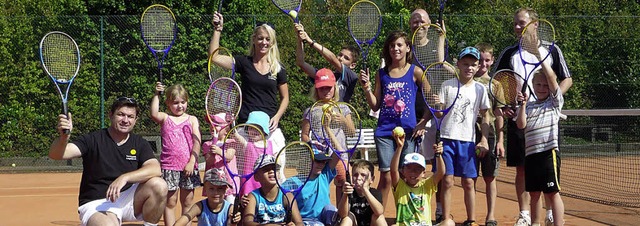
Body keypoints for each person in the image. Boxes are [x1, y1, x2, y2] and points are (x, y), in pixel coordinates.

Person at [493, 7, 573, 226]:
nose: (518, 27)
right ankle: (525, 214)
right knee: (522, 167)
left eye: (522, 23)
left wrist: (551, 101)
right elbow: (497, 82)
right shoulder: (510, 53)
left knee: (549, 165)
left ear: (535, 25)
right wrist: (505, 104)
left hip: (546, 120)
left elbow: (566, 79)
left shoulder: (552, 50)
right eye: (515, 24)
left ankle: (550, 213)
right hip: (521, 115)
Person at [48, 97, 167, 226]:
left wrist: (125, 178)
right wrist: (63, 138)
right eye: (121, 114)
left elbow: (155, 168)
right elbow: (57, 154)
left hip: (127, 200)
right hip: (96, 203)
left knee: (159, 185)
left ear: (135, 120)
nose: (125, 120)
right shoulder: (93, 139)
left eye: (130, 116)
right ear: (110, 115)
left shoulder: (139, 143)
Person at [208, 12, 290, 168]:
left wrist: (277, 117)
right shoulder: (243, 62)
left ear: (272, 42)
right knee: (244, 175)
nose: (263, 42)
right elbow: (215, 57)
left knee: (276, 173)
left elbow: (285, 98)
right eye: (260, 38)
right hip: (245, 129)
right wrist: (218, 30)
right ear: (254, 39)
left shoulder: (278, 69)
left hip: (270, 130)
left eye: (267, 39)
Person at [359, 30, 427, 210]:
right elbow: (375, 106)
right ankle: (378, 215)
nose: (395, 48)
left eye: (399, 45)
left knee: (406, 176)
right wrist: (366, 89)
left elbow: (432, 100)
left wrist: (423, 122)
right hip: (384, 132)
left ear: (407, 48)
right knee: (387, 176)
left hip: (408, 133)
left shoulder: (416, 72)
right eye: (392, 45)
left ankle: (404, 216)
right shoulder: (382, 74)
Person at [436, 47, 491, 226]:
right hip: (446, 139)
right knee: (448, 181)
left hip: (468, 142)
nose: (469, 67)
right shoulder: (447, 85)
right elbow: (439, 113)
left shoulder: (480, 89)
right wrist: (437, 107)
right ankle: (445, 219)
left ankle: (471, 220)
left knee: (469, 182)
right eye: (465, 64)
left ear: (477, 67)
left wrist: (483, 138)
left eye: (473, 64)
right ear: (458, 64)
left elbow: (485, 116)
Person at [515, 44, 565, 226]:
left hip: (548, 153)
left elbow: (552, 78)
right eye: (538, 84)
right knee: (534, 193)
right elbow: (521, 125)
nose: (542, 88)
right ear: (533, 86)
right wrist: (521, 106)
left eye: (545, 85)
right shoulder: (529, 105)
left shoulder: (554, 102)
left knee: (552, 193)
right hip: (531, 156)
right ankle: (535, 223)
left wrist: (539, 57)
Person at [408, 8, 448, 222]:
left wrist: (426, 119)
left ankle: (439, 209)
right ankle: (415, 211)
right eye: (414, 21)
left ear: (430, 23)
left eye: (422, 21)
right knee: (413, 167)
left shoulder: (438, 49)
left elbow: (438, 91)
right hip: (410, 119)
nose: (418, 24)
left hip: (434, 117)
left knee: (436, 166)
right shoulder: (404, 50)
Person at [150, 83, 203, 226]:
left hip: (189, 167)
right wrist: (156, 94)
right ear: (168, 103)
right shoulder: (165, 118)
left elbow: (197, 141)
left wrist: (192, 161)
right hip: (169, 167)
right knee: (170, 202)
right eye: (175, 103)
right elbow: (154, 113)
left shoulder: (192, 119)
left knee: (187, 202)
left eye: (183, 102)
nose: (180, 106)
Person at [300, 68, 355, 203]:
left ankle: (341, 215)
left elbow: (351, 132)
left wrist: (343, 120)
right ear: (316, 90)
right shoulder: (311, 110)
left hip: (340, 155)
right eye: (322, 88)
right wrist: (311, 144)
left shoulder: (343, 108)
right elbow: (305, 135)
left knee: (343, 183)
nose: (326, 91)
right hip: (319, 156)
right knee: (320, 185)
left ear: (335, 88)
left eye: (329, 87)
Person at [473, 42, 505, 226]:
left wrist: (501, 140)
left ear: (492, 61)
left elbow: (499, 113)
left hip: (490, 136)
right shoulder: (466, 80)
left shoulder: (496, 85)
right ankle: (472, 216)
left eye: (487, 60)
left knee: (489, 177)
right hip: (469, 135)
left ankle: (490, 216)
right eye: (480, 60)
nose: (483, 64)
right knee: (470, 178)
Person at [390, 127, 445, 225]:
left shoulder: (426, 186)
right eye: (409, 168)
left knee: (449, 222)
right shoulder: (400, 186)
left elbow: (441, 173)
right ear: (402, 171)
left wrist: (439, 155)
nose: (413, 172)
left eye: (417, 169)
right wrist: (399, 148)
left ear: (424, 173)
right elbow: (393, 171)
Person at [294, 23, 360, 103]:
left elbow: (332, 59)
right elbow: (301, 63)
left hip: (340, 114)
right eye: (340, 55)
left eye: (346, 58)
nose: (340, 58)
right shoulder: (325, 76)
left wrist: (310, 41)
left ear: (352, 65)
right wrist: (300, 39)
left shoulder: (351, 77)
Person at [243, 154, 303, 226]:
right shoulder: (253, 197)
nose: (271, 171)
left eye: (275, 169)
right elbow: (247, 223)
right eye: (266, 169)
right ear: (256, 176)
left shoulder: (287, 196)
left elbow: (299, 223)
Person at [174, 168, 241, 226]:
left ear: (225, 189)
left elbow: (231, 224)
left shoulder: (230, 208)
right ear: (205, 188)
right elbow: (185, 218)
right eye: (211, 188)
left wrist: (233, 221)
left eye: (220, 188)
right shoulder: (199, 206)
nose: (216, 193)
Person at [336, 159, 386, 226]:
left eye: (363, 175)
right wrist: (345, 195)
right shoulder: (349, 192)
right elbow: (342, 214)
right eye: (355, 175)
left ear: (372, 179)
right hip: (355, 223)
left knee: (379, 218)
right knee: (347, 218)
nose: (358, 178)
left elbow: (379, 211)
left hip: (370, 223)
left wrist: (365, 190)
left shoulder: (375, 193)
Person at [202, 112, 238, 203]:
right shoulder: (207, 144)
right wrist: (213, 148)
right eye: (211, 124)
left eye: (217, 125)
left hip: (229, 181)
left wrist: (219, 151)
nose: (212, 126)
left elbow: (229, 156)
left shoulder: (231, 142)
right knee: (215, 206)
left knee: (230, 206)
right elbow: (209, 161)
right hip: (213, 183)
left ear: (226, 129)